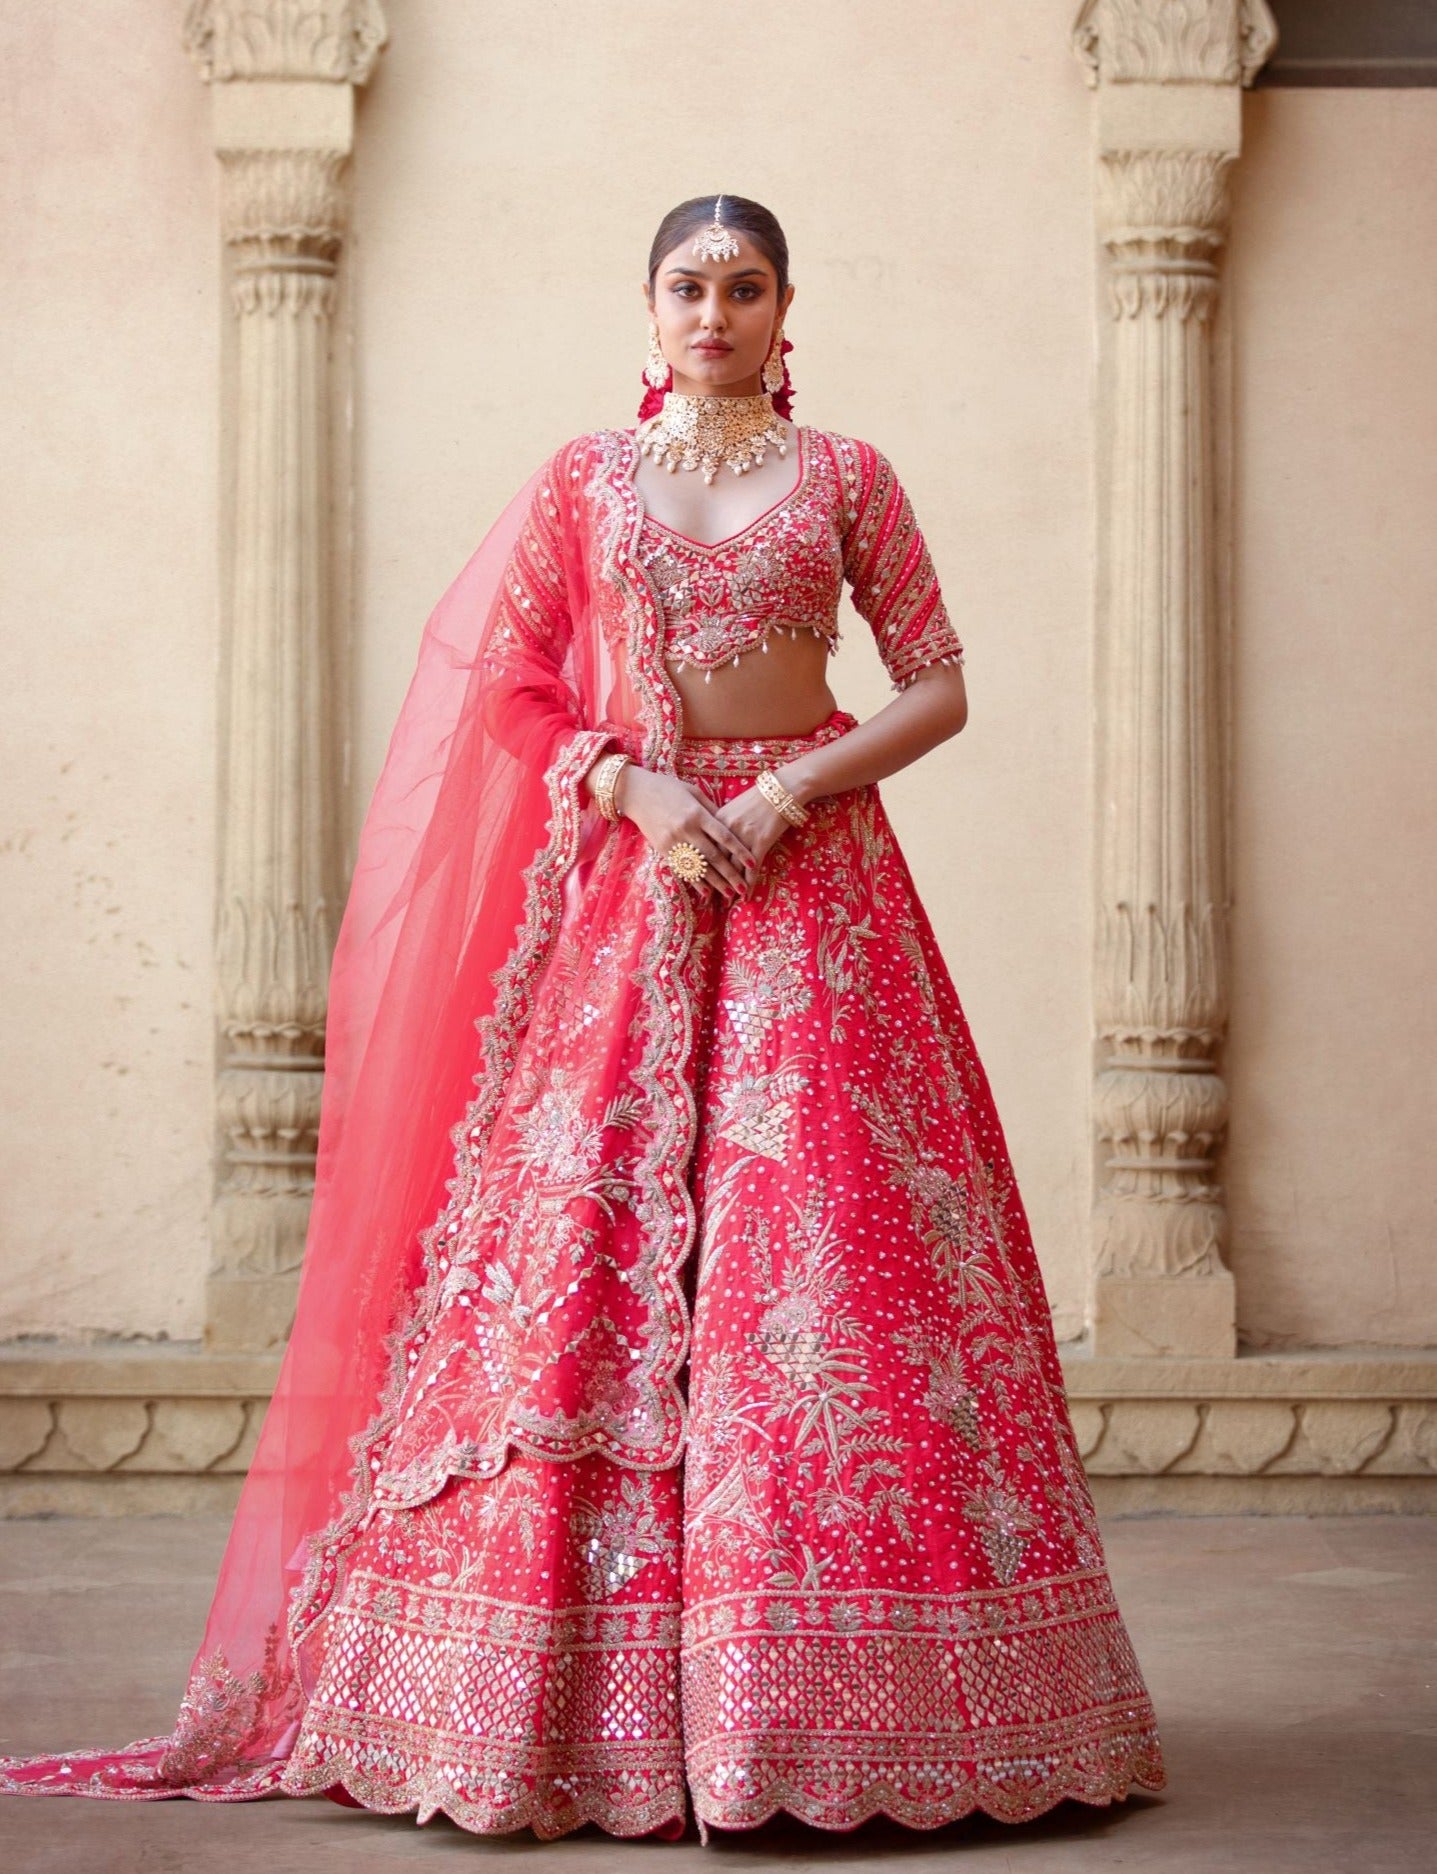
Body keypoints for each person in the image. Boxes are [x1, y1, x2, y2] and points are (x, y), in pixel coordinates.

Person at [1, 194, 1165, 1844]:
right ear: (648, 305)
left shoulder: (846, 477)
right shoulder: (585, 480)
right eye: (688, 285)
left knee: (820, 1262)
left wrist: (782, 798)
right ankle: (547, 1706)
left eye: (744, 286)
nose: (715, 311)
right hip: (632, 894)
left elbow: (936, 680)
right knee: (576, 1264)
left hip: (814, 902)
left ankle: (827, 1714)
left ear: (784, 307)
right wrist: (629, 787)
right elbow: (512, 675)